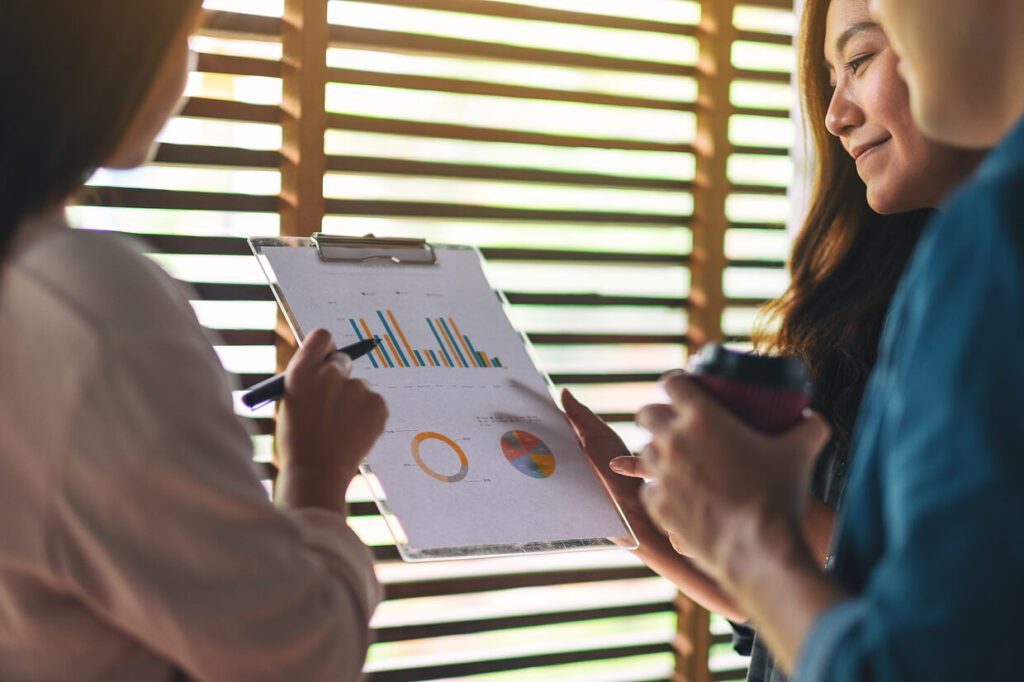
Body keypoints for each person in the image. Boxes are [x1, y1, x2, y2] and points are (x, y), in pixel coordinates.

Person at [562, 0, 982, 678]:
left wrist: (757, 515)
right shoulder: (899, 291)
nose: (835, 115)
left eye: (860, 59)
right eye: (830, 77)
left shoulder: (988, 286)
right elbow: (798, 616)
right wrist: (648, 532)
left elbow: (957, 612)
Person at [0, 3, 388, 680]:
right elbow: (297, 661)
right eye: (189, 32)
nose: (191, 66)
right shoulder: (86, 308)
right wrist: (318, 476)